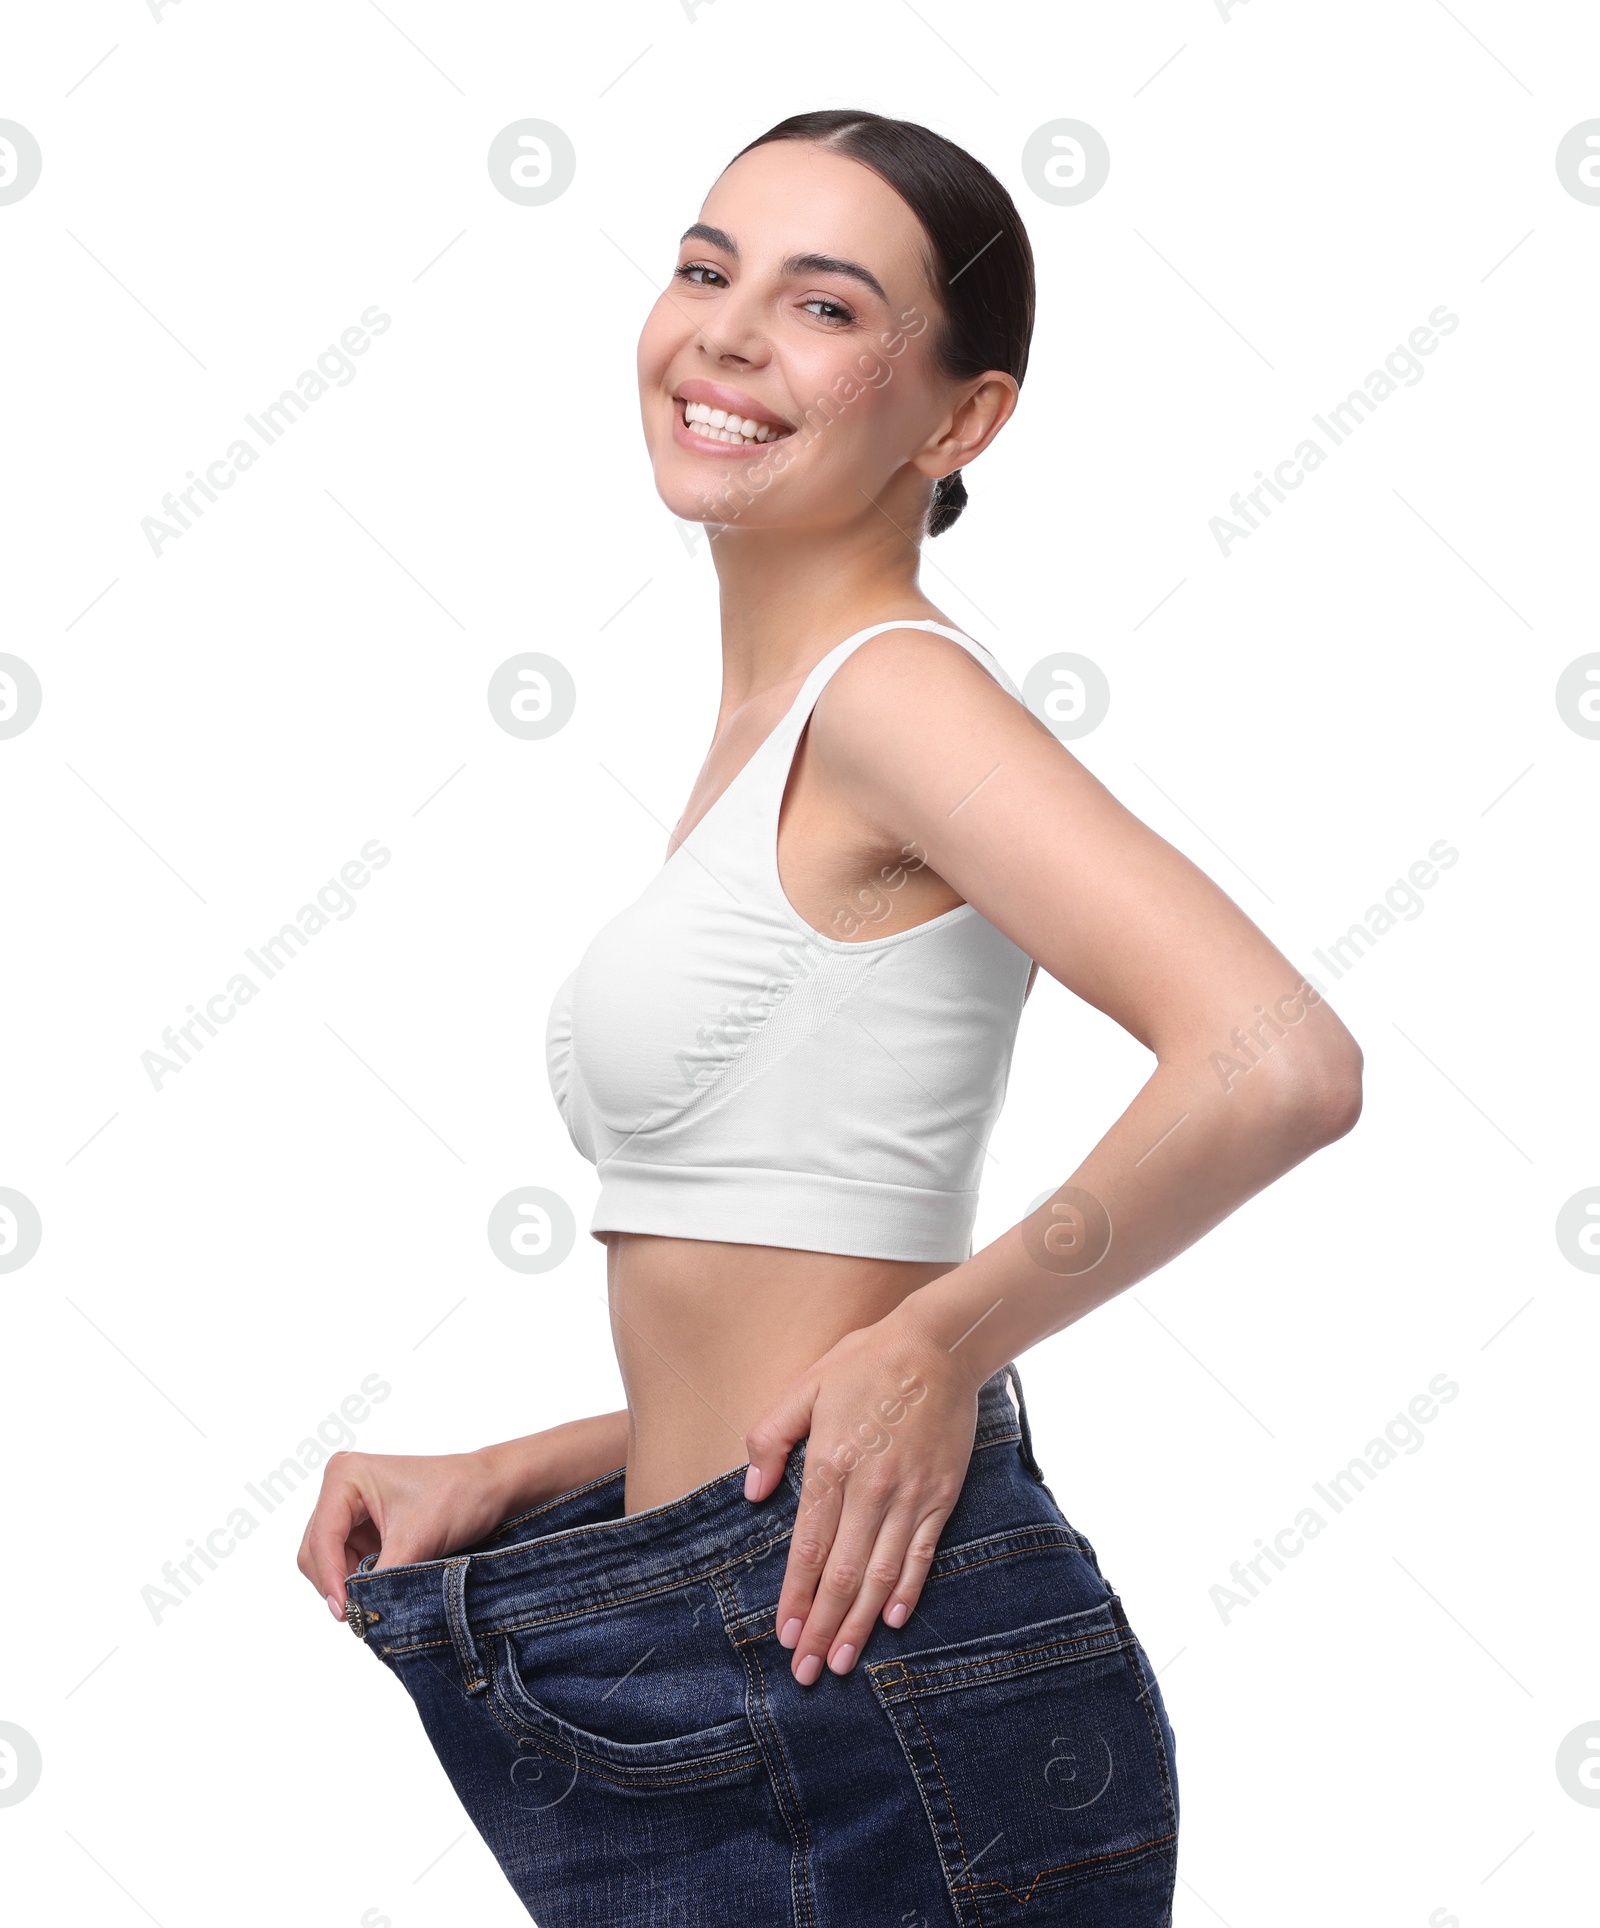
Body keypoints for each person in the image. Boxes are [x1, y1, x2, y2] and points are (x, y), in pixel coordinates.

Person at [300, 109, 1362, 1925]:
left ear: (961, 420)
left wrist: (946, 1347)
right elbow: (802, 1292)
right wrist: (544, 1469)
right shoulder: (781, 723)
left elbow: (1279, 1060)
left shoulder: (893, 702)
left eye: (821, 304)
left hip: (858, 1669)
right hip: (740, 1610)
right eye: (708, 269)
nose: (723, 333)